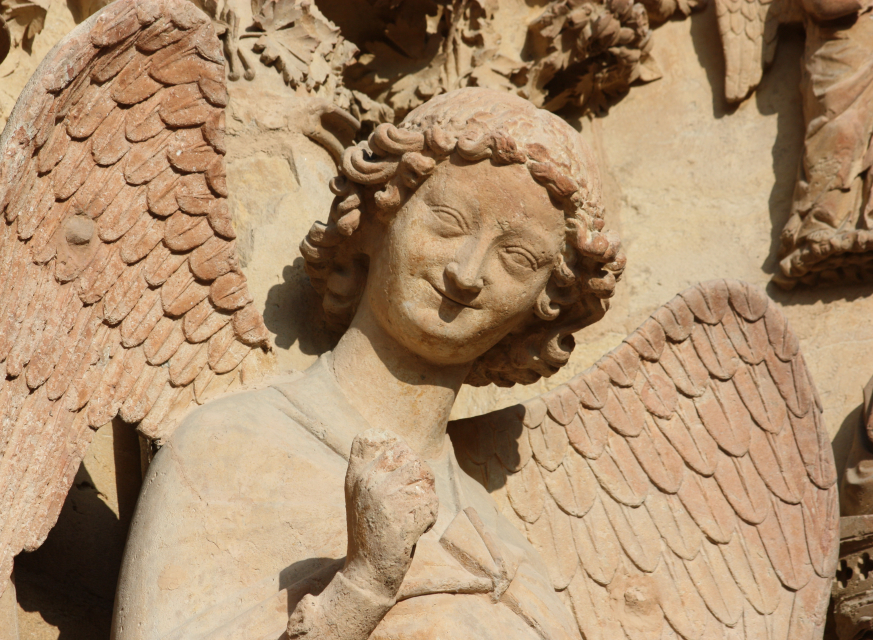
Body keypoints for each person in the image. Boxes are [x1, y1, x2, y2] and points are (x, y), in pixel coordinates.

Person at [113, 87, 624, 640]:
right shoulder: (231, 444)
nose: (467, 272)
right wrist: (364, 586)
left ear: (543, 308)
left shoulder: (511, 555)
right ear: (380, 216)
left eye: (518, 259)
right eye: (448, 221)